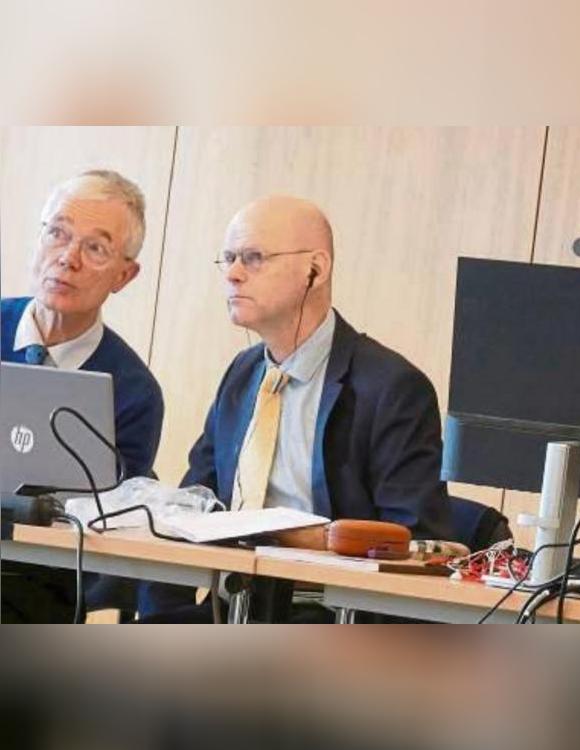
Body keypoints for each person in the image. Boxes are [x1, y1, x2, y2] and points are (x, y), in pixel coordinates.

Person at [138, 195, 453, 619]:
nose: (232, 274)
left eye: (253, 258)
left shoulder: (391, 387)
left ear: (315, 270)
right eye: (228, 258)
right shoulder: (243, 374)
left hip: (332, 613)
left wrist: (304, 539)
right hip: (234, 606)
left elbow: (414, 544)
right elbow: (195, 504)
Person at [1, 169, 164, 622]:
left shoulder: (134, 392)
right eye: (57, 233)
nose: (67, 258)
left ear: (124, 275)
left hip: (36, 585)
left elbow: (112, 523)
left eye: (95, 248)